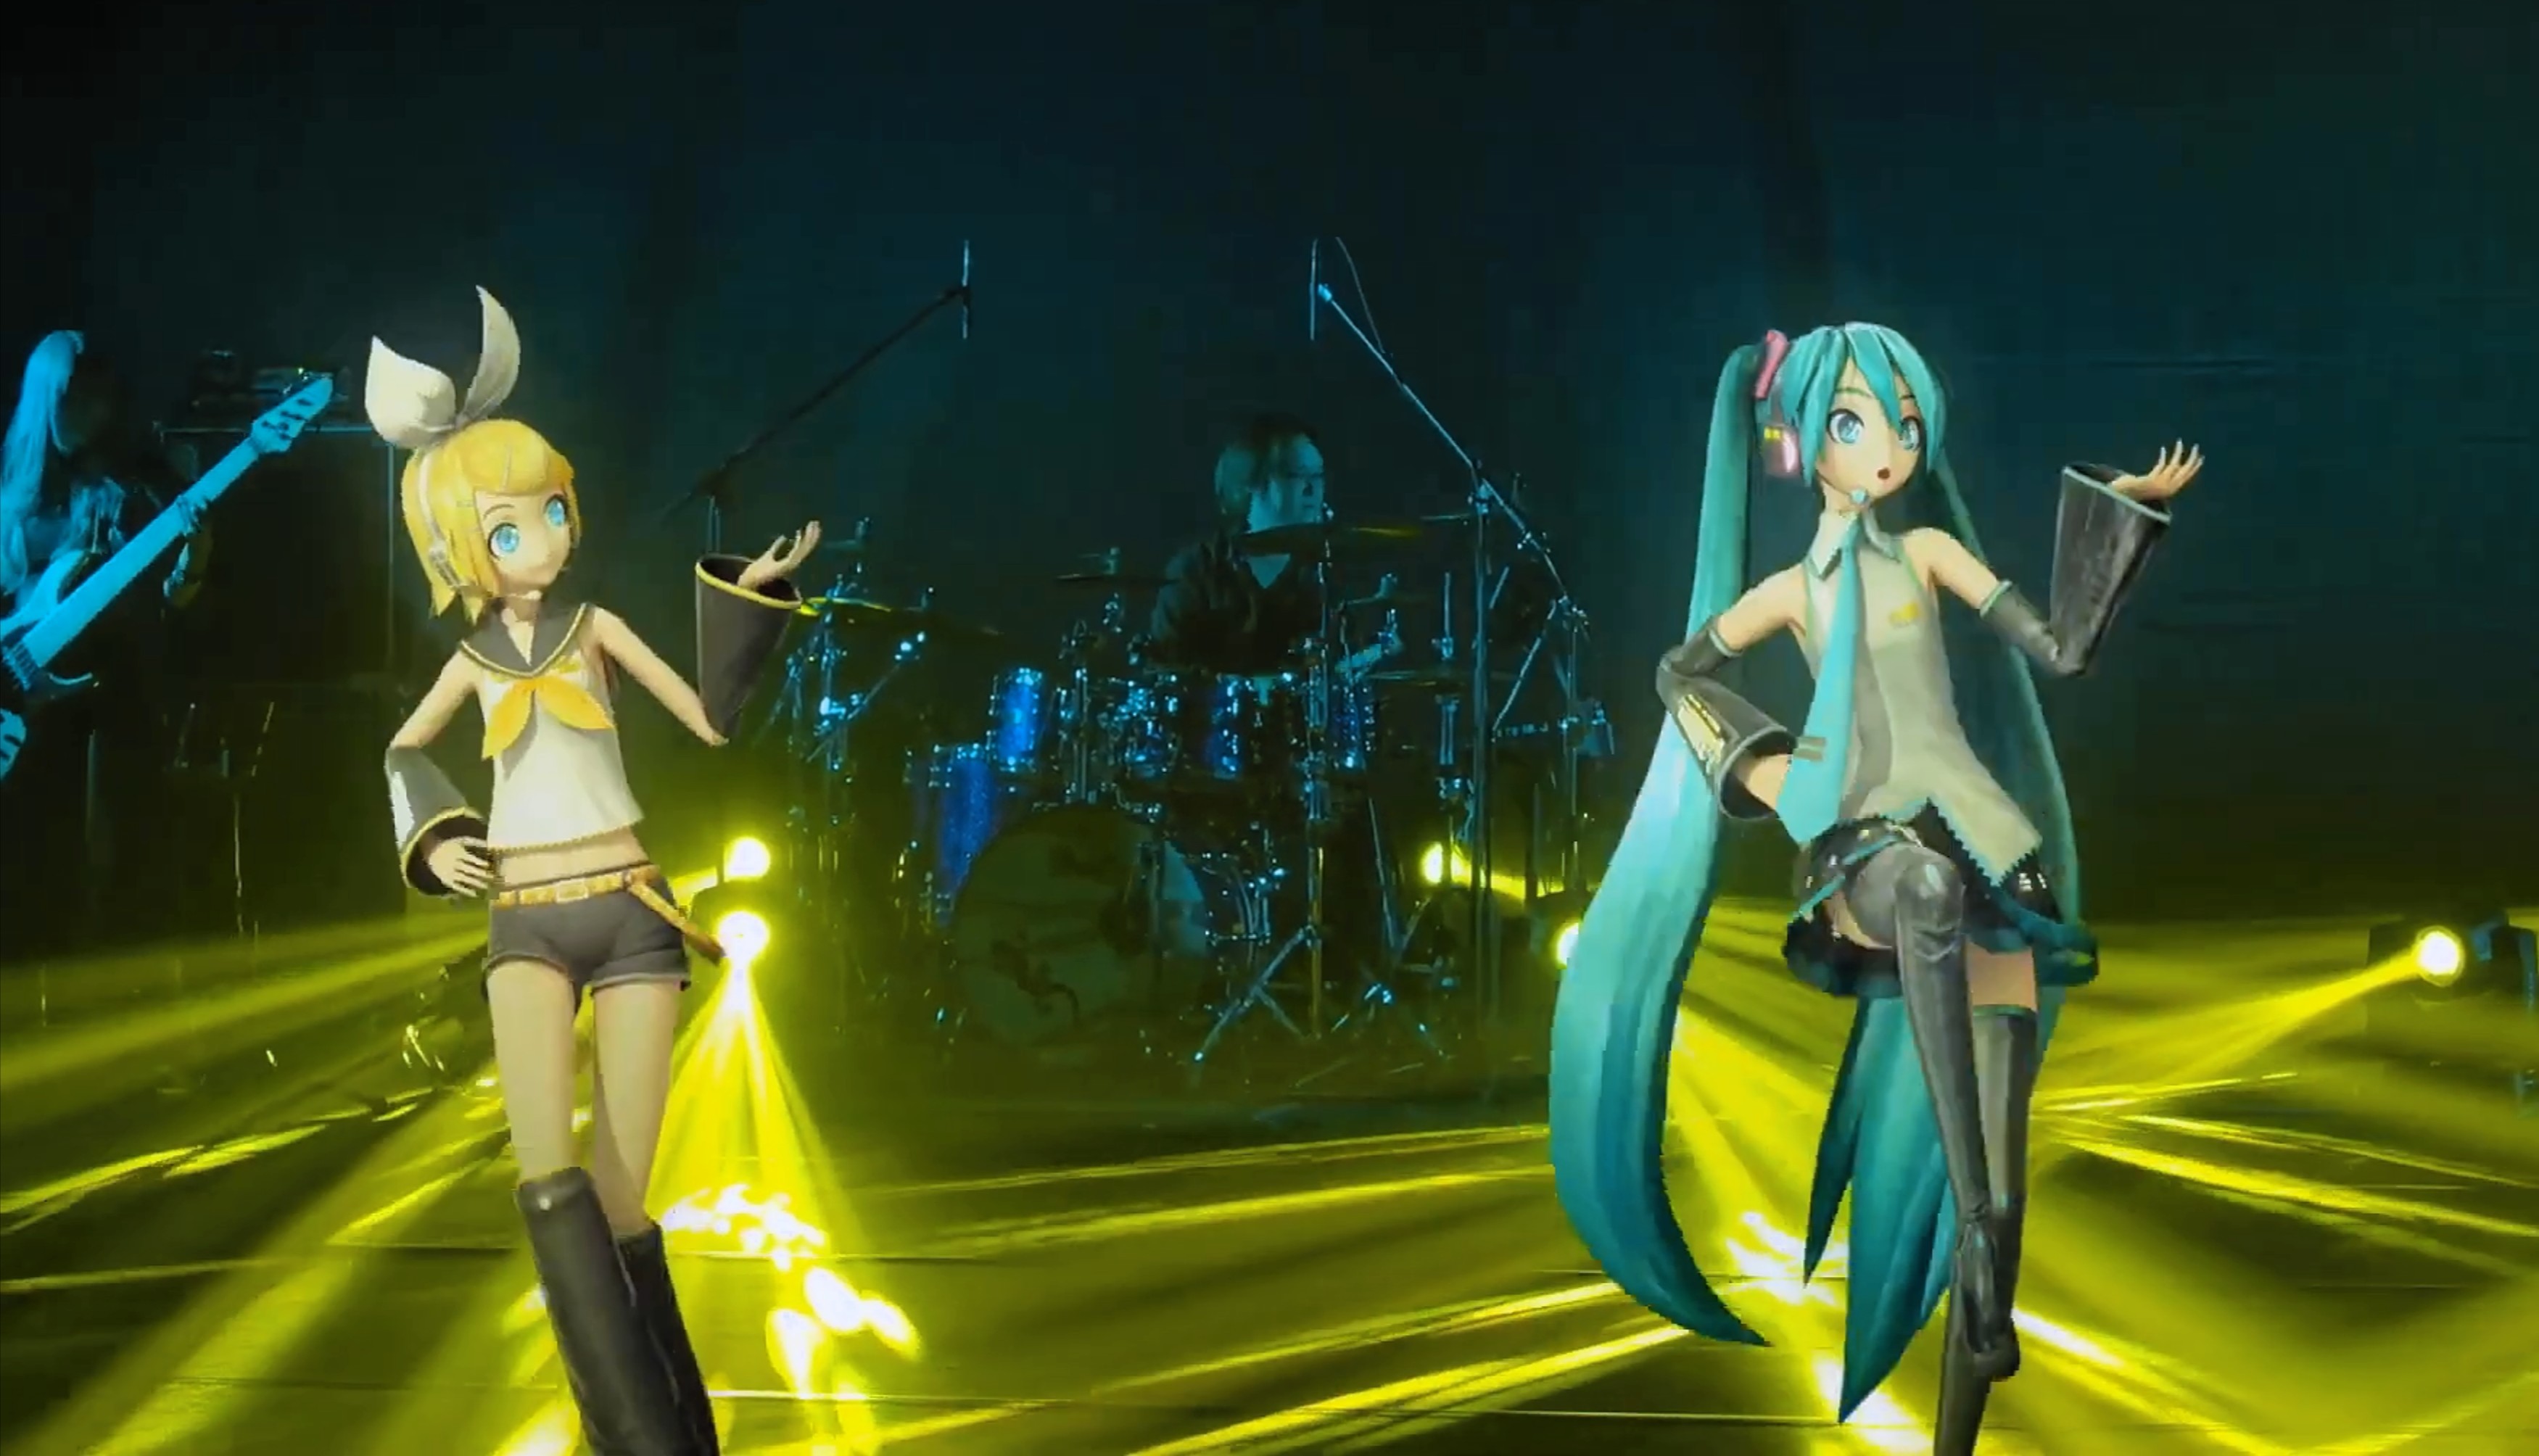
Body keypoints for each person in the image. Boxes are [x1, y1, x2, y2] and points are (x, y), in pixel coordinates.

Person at [1547, 323, 2203, 1455]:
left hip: (1989, 854)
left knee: (2003, 1177)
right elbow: (1678, 671)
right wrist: (1762, 768)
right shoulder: (1790, 591)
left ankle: (1976, 1314)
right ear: (1807, 439)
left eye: (1903, 422)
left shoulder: (1931, 551)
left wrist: (2116, 513)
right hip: (1867, 853)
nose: (1889, 445)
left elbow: (2063, 650)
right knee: (1929, 901)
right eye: (1856, 421)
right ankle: (1975, 1224)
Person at [369, 288, 815, 1455]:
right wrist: (436, 834)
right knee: (551, 1189)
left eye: (553, 509)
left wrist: (753, 600)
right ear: (458, 549)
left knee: (620, 1208)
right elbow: (404, 749)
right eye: (511, 526)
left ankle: (666, 1442)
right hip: (522, 917)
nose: (547, 535)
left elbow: (708, 720)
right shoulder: (471, 659)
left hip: (628, 911)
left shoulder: (597, 628)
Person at [0, 330, 211, 955]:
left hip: (117, 699)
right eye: (73, 397)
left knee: (116, 855)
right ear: (46, 398)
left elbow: (174, 601)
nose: (88, 413)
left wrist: (196, 553)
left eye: (98, 398)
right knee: (34, 864)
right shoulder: (13, 497)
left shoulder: (135, 485)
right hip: (25, 711)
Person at [1146, 412, 1330, 674]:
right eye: (1295, 476)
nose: (1312, 489)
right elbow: (1164, 669)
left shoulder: (1324, 570)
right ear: (1249, 483)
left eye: (1318, 476)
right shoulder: (1196, 570)